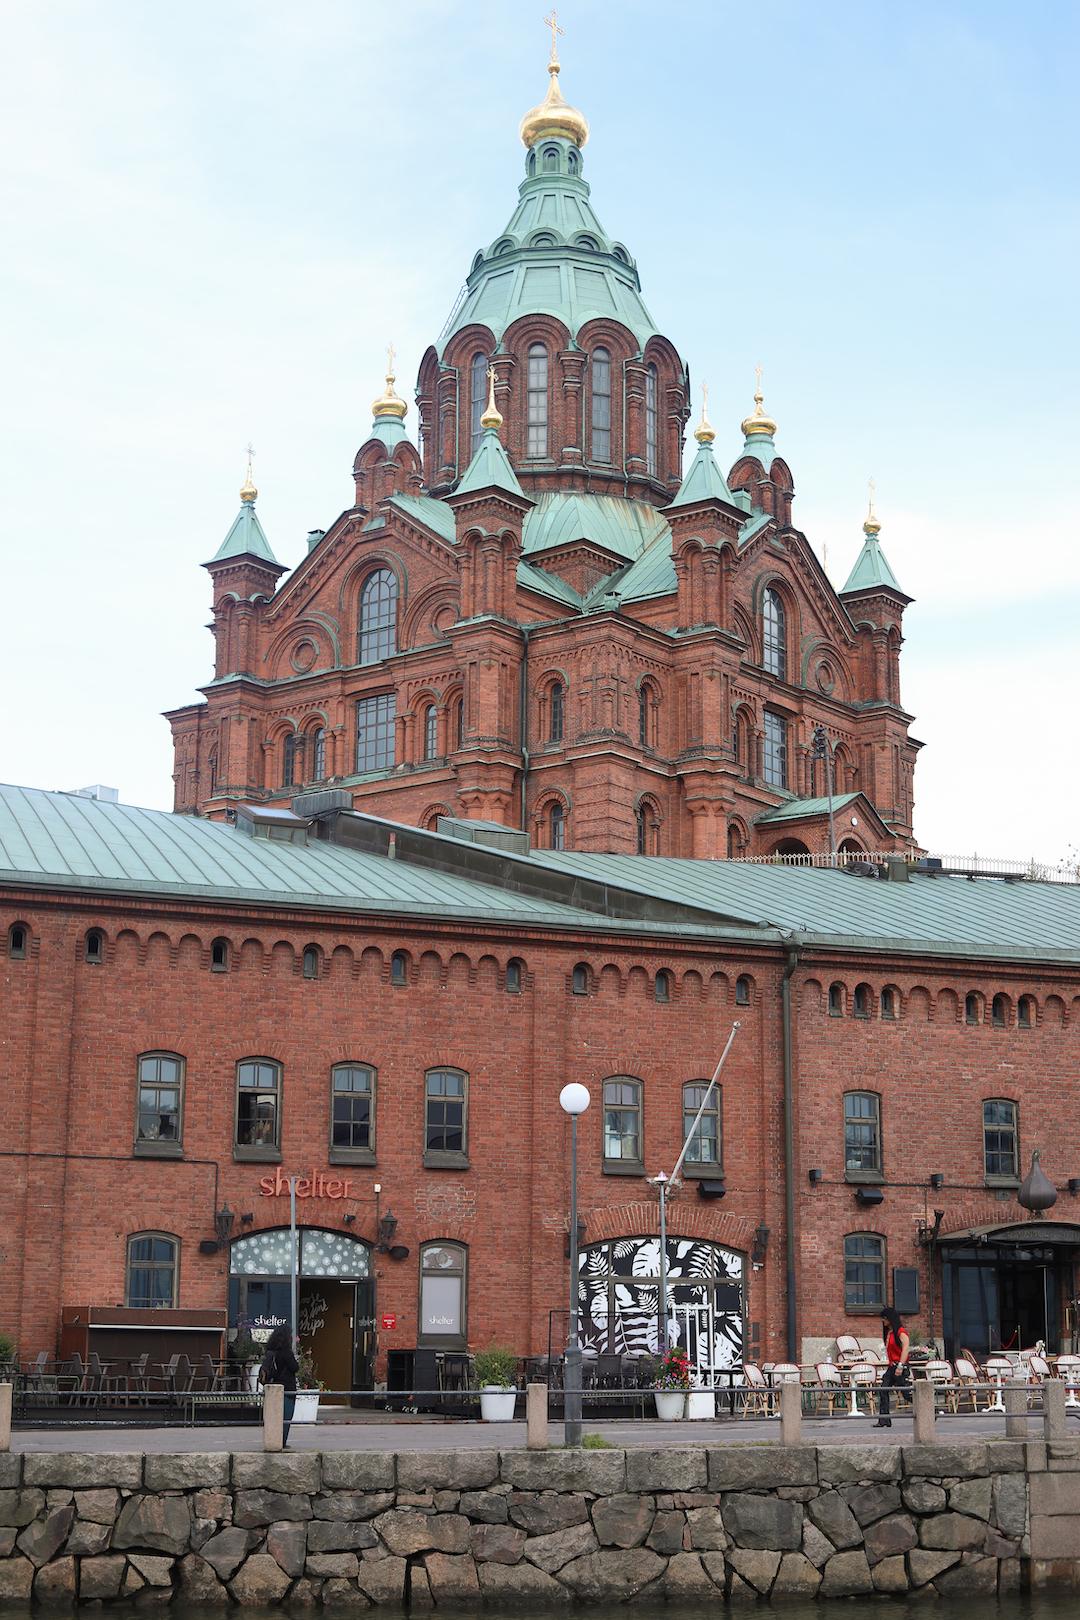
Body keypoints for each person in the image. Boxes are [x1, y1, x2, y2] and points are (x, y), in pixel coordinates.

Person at [258, 1326, 299, 1446]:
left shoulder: (271, 1352)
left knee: (274, 1418)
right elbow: (295, 1367)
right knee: (286, 1417)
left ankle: (273, 1440)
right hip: (287, 1389)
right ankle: (282, 1442)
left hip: (273, 1388)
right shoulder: (286, 1353)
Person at [874, 1307, 910, 1427]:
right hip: (892, 1366)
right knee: (883, 1390)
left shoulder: (900, 1332)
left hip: (900, 1365)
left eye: (885, 1318)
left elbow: (905, 1348)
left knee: (907, 1393)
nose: (883, 1321)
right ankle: (884, 1419)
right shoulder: (889, 1333)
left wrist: (901, 1365)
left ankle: (930, 1410)